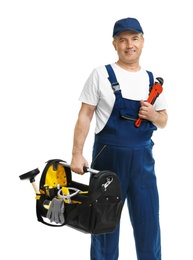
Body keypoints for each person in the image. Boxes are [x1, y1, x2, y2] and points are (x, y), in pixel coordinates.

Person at [70, 17, 168, 260]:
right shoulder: (101, 74)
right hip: (108, 160)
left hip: (143, 163)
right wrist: (76, 154)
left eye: (134, 39)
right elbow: (85, 114)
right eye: (122, 40)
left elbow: (164, 120)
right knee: (104, 224)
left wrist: (154, 114)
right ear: (114, 44)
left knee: (148, 223)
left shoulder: (150, 79)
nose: (129, 45)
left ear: (142, 42)